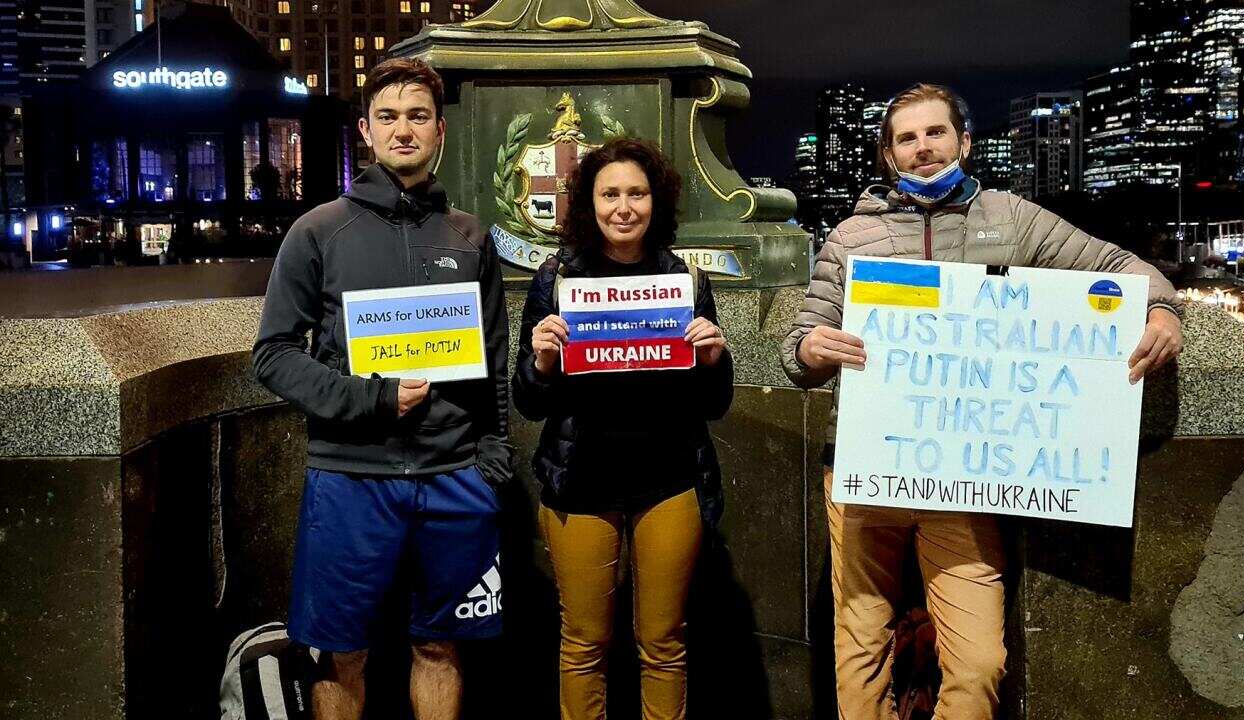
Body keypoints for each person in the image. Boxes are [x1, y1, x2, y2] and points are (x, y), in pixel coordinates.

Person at [781, 83, 1183, 720]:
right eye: (906, 139)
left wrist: (1160, 309)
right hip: (866, 472)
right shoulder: (851, 235)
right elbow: (799, 341)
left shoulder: (1011, 217)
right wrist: (810, 350)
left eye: (935, 133)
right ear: (889, 156)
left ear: (964, 142)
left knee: (979, 661)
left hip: (961, 479)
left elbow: (1114, 264)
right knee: (860, 650)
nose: (922, 149)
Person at [252, 57, 510, 720]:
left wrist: (492, 457)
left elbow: (494, 363)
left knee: (440, 648)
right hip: (350, 476)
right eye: (389, 117)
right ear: (364, 131)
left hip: (454, 473)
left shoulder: (471, 236)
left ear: (440, 130)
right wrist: (371, 399)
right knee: (342, 653)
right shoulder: (316, 231)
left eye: (418, 116)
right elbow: (274, 355)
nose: (404, 130)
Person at [512, 137, 734, 720]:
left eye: (638, 193)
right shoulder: (557, 279)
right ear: (589, 203)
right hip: (580, 484)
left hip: (669, 482)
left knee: (664, 644)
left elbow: (714, 404)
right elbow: (528, 402)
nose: (624, 207)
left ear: (656, 202)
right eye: (610, 194)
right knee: (583, 643)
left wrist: (713, 357)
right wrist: (540, 361)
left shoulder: (685, 281)